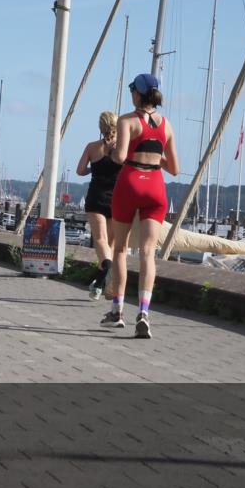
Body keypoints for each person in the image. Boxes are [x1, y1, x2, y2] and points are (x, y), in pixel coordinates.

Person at [101, 73, 179, 339]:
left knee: (120, 248)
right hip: (156, 187)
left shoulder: (126, 121)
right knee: (148, 253)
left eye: (132, 89)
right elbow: (175, 169)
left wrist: (111, 150)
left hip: (131, 182)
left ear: (137, 93)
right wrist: (155, 155)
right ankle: (144, 312)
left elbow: (120, 157)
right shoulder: (166, 125)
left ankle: (117, 311)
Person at [76, 111, 121, 300]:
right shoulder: (122, 149)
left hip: (96, 197)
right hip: (116, 199)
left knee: (100, 241)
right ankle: (103, 284)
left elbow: (80, 171)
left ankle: (103, 276)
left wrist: (93, 168)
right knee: (110, 244)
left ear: (100, 128)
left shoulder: (92, 147)